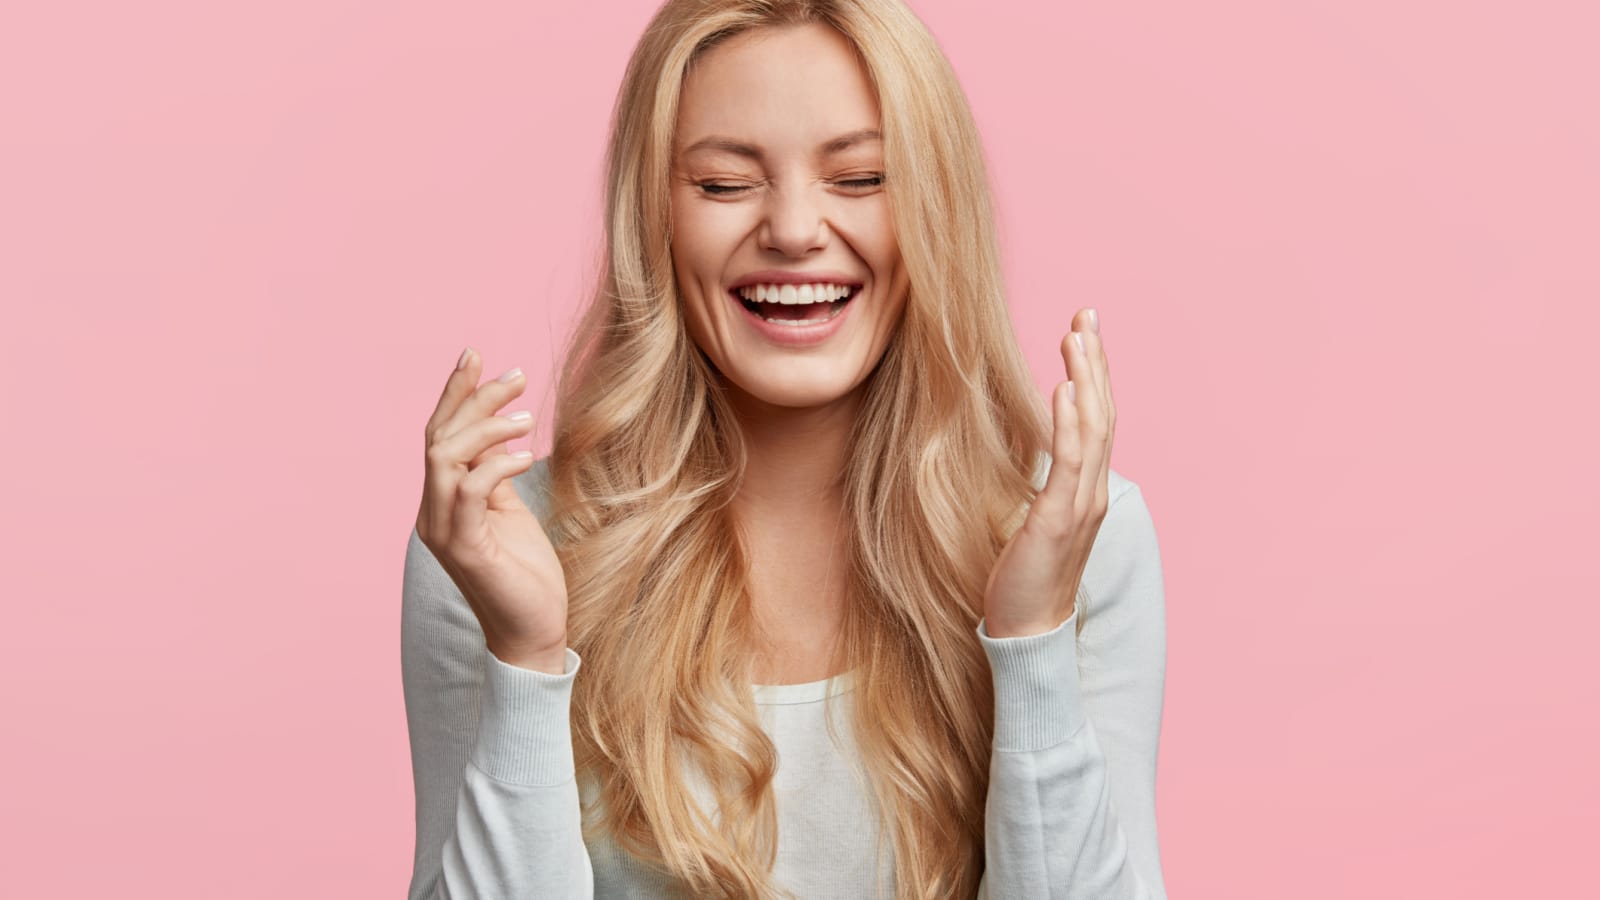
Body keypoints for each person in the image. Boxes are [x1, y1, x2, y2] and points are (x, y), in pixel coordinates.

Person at [403, 1, 1168, 897]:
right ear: (654, 218)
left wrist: (1033, 640)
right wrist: (526, 657)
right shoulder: (494, 552)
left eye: (862, 177)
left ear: (937, 206)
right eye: (725, 185)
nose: (795, 229)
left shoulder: (1084, 536)